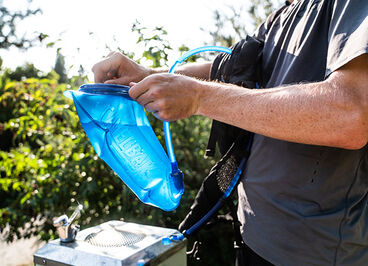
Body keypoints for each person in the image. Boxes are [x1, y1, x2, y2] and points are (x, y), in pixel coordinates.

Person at [92, 0, 368, 265]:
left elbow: (352, 114)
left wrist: (200, 98)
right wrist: (147, 75)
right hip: (251, 236)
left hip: (314, 254)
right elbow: (226, 70)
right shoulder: (279, 18)